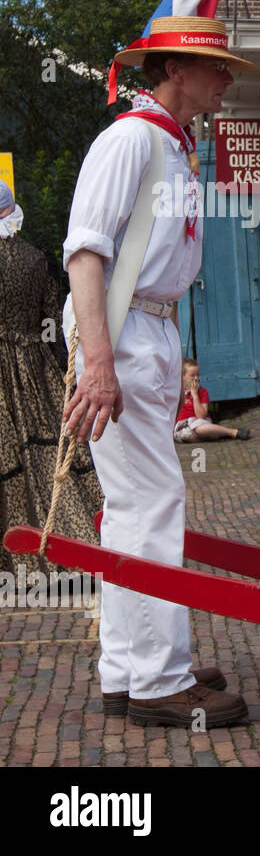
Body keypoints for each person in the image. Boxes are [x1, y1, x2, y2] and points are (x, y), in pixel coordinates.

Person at [60, 16, 252, 727]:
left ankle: (130, 667)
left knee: (135, 507)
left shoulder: (169, 145)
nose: (228, 80)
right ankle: (159, 680)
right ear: (175, 70)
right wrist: (100, 363)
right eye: (218, 68)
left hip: (144, 326)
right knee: (152, 502)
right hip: (121, 325)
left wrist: (162, 354)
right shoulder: (132, 140)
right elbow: (86, 253)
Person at [0, 180, 104, 579]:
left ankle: (16, 557)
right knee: (48, 455)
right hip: (35, 367)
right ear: (14, 213)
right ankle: (72, 547)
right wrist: (54, 361)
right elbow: (49, 322)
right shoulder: (38, 259)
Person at [174, 358, 250, 442]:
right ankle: (217, 434)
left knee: (199, 430)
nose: (196, 378)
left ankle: (233, 432)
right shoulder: (177, 392)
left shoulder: (202, 392)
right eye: (192, 375)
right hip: (183, 424)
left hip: (200, 422)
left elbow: (201, 416)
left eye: (198, 375)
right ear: (182, 377)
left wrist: (195, 395)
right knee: (186, 436)